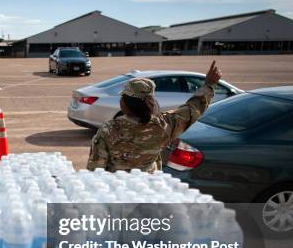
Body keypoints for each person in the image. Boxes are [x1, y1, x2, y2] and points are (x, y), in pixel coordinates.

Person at [86, 61, 222, 172]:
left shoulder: (108, 129)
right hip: (150, 191)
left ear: (124, 103)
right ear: (149, 103)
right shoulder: (163, 125)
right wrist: (209, 84)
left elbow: (96, 170)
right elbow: (193, 108)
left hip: (119, 194)